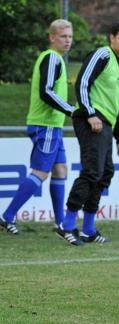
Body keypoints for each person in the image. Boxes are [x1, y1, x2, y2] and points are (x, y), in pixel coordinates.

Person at [55, 21, 119, 246]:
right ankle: (66, 224)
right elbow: (82, 82)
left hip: (106, 125)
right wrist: (90, 113)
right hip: (91, 120)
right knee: (92, 172)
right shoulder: (102, 55)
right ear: (111, 38)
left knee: (105, 173)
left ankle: (89, 229)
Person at [0, 19, 74, 235]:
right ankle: (7, 216)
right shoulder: (51, 58)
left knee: (60, 170)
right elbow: (47, 91)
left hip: (53, 126)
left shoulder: (56, 58)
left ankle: (60, 223)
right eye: (63, 36)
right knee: (41, 172)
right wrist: (71, 110)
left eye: (70, 37)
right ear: (52, 37)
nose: (68, 40)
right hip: (46, 125)